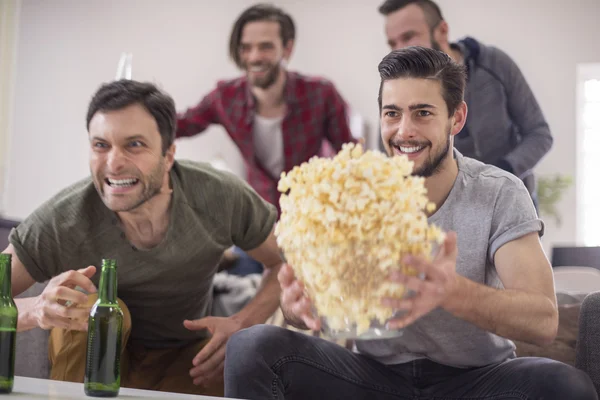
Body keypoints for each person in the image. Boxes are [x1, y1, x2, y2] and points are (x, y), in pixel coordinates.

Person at [222, 47, 598, 399]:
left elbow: (544, 321)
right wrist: (296, 307)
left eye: (423, 112)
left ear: (457, 118)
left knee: (565, 385)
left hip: (477, 380)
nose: (404, 131)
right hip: (373, 377)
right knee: (252, 347)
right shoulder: (353, 194)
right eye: (392, 113)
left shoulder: (499, 192)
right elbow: (316, 311)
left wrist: (452, 293)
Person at [5, 80, 284, 396]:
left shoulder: (219, 196)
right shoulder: (63, 219)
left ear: (168, 155)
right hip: (91, 360)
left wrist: (244, 321)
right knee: (103, 307)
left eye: (134, 144)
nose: (114, 162)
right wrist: (34, 309)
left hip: (187, 361)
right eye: (100, 145)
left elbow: (284, 264)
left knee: (237, 360)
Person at [176, 3, 356, 275]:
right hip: (258, 227)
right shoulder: (225, 97)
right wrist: (137, 107)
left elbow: (350, 155)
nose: (254, 56)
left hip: (314, 228)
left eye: (266, 46)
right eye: (246, 47)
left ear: (287, 48)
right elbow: (180, 124)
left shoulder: (320, 94)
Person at [377, 0, 553, 206]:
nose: (399, 50)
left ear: (442, 31)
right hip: (445, 209)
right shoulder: (395, 88)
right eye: (392, 43)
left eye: (409, 37)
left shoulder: (495, 64)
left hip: (509, 202)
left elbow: (539, 134)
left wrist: (501, 173)